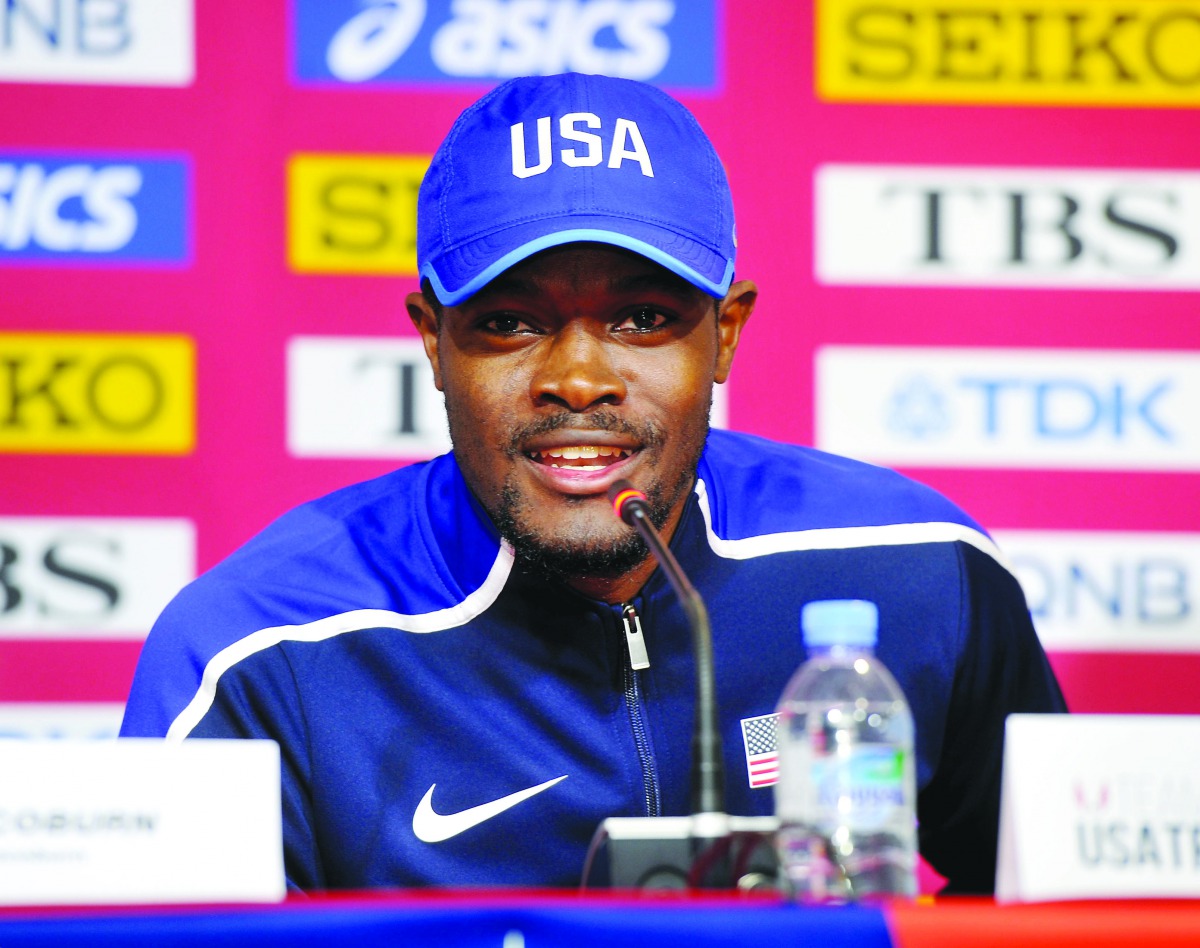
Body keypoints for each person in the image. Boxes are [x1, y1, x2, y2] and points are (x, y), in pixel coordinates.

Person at [120, 72, 1066, 893]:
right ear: (430, 341)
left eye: (643, 318)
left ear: (726, 333)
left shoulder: (914, 574)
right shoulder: (258, 650)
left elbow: (1068, 919)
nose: (578, 378)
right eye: (510, 323)